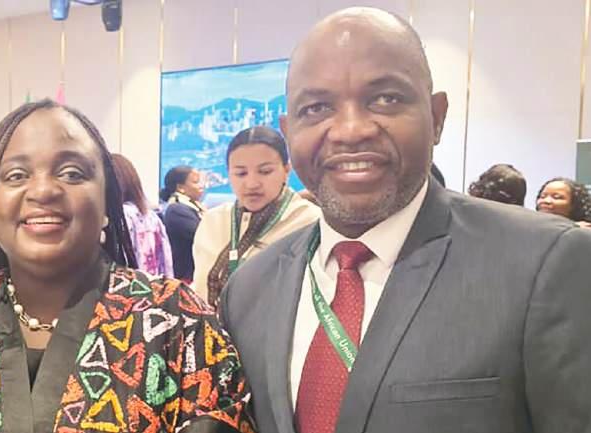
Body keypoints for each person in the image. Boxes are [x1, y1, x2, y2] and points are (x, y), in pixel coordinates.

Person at [220, 8, 591, 433]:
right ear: (288, 133)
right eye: (317, 107)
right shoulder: (248, 291)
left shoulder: (545, 265)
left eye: (385, 99)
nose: (350, 130)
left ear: (437, 117)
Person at [0, 100, 254, 433]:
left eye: (72, 173)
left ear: (107, 204)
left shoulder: (175, 319)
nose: (44, 190)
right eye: (16, 175)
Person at [193, 126, 320, 303]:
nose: (252, 183)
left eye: (265, 171)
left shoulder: (310, 222)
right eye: (241, 173)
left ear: (286, 170)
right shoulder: (213, 221)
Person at [111, 153, 173, 277]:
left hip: (129, 285)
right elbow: (166, 262)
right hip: (152, 284)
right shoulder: (151, 216)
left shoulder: (120, 217)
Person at [160, 165, 205, 282]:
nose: (201, 186)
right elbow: (203, 236)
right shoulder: (177, 210)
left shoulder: (193, 207)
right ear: (180, 187)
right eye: (196, 182)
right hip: (185, 277)